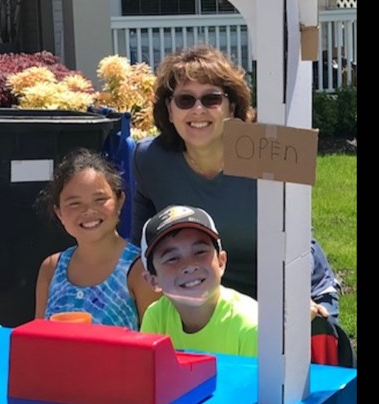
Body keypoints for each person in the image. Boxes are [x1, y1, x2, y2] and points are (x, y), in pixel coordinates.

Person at [131, 45, 341, 317]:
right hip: (202, 300)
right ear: (169, 110)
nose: (198, 110)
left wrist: (296, 300)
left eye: (211, 99)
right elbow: (140, 247)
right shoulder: (149, 159)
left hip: (288, 292)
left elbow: (299, 239)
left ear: (231, 106)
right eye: (185, 100)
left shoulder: (267, 151)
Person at [34, 148, 160, 329]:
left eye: (100, 199)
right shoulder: (51, 269)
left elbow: (155, 346)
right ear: (59, 213)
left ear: (120, 202)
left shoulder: (142, 270)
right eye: (74, 203)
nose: (89, 211)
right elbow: (36, 340)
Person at [139, 204, 259, 357]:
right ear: (152, 280)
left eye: (200, 252)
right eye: (172, 258)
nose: (189, 266)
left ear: (221, 262)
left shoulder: (252, 327)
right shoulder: (156, 316)